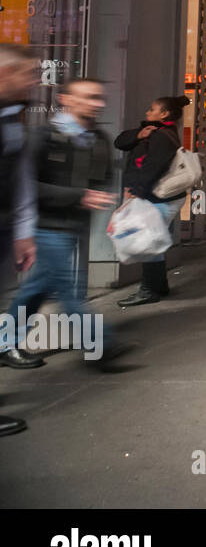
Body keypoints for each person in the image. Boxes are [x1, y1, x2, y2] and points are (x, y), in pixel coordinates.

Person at [0, 78, 121, 369]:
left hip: (75, 225)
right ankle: (99, 345)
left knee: (37, 288)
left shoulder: (99, 138)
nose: (97, 103)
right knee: (67, 288)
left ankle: (4, 343)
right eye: (89, 97)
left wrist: (103, 198)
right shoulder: (43, 137)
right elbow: (26, 186)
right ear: (66, 99)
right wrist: (79, 196)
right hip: (44, 225)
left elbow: (104, 176)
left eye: (99, 98)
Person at [114, 94, 190, 307]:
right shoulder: (154, 133)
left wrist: (136, 191)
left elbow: (152, 167)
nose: (148, 112)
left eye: (151, 109)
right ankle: (158, 286)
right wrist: (139, 134)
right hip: (157, 197)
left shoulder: (162, 136)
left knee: (148, 242)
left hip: (159, 197)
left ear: (164, 113)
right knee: (152, 240)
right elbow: (120, 142)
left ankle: (149, 290)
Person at [0, 44, 38, 436]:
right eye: (26, 74)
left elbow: (20, 178)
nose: (33, 82)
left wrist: (24, 230)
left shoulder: (13, 119)